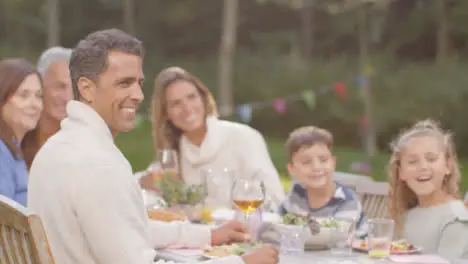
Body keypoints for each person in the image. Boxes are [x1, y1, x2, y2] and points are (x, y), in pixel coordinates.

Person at [27, 28, 278, 264]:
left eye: (139, 83)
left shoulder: (56, 148)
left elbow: (127, 228)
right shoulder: (98, 165)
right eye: (124, 83)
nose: (138, 95)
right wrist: (241, 262)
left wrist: (207, 236)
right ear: (86, 88)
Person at [139, 67, 285, 208]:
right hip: (198, 232)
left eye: (191, 97)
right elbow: (142, 183)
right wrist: (144, 181)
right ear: (166, 114)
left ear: (203, 98)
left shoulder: (244, 137)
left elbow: (275, 198)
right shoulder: (173, 152)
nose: (187, 108)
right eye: (176, 103)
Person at [388, 119, 468, 260]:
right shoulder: (406, 217)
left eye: (431, 159)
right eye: (413, 161)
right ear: (401, 172)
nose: (423, 166)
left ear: (448, 166)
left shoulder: (456, 218)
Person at [280, 126, 365, 225]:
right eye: (306, 162)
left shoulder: (346, 201)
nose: (316, 167)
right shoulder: (296, 194)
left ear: (333, 163)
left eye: (323, 160)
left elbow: (339, 237)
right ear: (292, 169)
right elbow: (278, 225)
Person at [0, 58, 43, 206]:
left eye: (39, 96)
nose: (34, 104)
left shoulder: (17, 150)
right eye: (24, 95)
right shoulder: (1, 152)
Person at [22, 46, 73, 169]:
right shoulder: (17, 135)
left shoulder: (83, 143)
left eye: (75, 90)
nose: (68, 98)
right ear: (39, 85)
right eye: (60, 86)